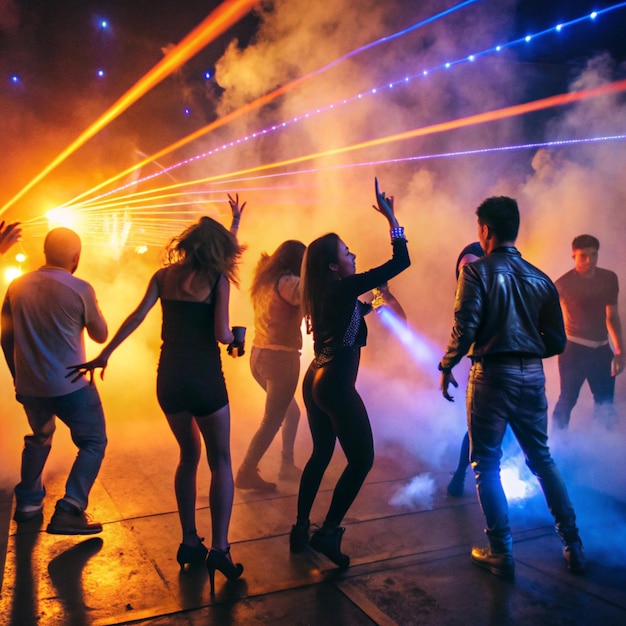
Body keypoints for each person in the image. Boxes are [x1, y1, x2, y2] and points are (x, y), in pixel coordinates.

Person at [67, 197, 246, 594]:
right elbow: (220, 334)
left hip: (170, 378)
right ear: (216, 251)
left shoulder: (163, 276)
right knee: (221, 461)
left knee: (188, 455)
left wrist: (104, 353)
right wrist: (236, 338)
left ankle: (188, 540)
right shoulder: (217, 280)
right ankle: (219, 548)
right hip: (204, 376)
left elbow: (135, 316)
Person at [439, 197, 586, 578]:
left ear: (485, 230)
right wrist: (529, 347)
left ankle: (501, 552)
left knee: (485, 464)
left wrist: (447, 363)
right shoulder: (541, 278)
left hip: (491, 375)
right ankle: (573, 545)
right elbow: (557, 340)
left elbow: (465, 327)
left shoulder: (475, 274)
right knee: (542, 459)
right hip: (532, 376)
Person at [289, 178, 410, 568]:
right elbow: (401, 262)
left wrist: (375, 306)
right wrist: (392, 219)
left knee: (322, 453)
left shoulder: (326, 291)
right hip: (336, 383)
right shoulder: (342, 287)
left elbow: (349, 319)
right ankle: (327, 533)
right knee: (362, 460)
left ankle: (300, 528)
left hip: (316, 378)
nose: (353, 255)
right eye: (346, 252)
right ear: (332, 265)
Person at [1, 227, 108, 534]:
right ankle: (70, 507)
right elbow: (100, 335)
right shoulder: (80, 288)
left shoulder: (16, 286)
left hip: (31, 386)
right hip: (71, 387)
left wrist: (17, 377)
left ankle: (28, 502)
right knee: (93, 441)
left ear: (45, 253)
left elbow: (5, 338)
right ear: (76, 257)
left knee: (41, 435)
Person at [235, 240, 307, 491]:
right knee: (272, 420)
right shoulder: (290, 283)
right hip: (281, 359)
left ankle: (286, 465)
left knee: (291, 413)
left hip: (259, 355)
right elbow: (310, 304)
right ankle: (245, 472)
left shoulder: (266, 280)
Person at [551, 234, 624, 430]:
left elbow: (612, 316)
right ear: (574, 256)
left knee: (605, 404)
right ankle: (555, 446)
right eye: (583, 256)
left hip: (601, 349)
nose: (589, 260)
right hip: (573, 350)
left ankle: (603, 450)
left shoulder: (608, 278)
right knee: (567, 399)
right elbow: (545, 316)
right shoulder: (563, 284)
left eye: (593, 255)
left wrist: (619, 351)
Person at [446, 242, 484, 498]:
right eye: (463, 268)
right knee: (476, 427)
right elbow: (463, 330)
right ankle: (460, 475)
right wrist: (447, 365)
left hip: (515, 367)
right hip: (486, 366)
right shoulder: (467, 295)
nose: (466, 273)